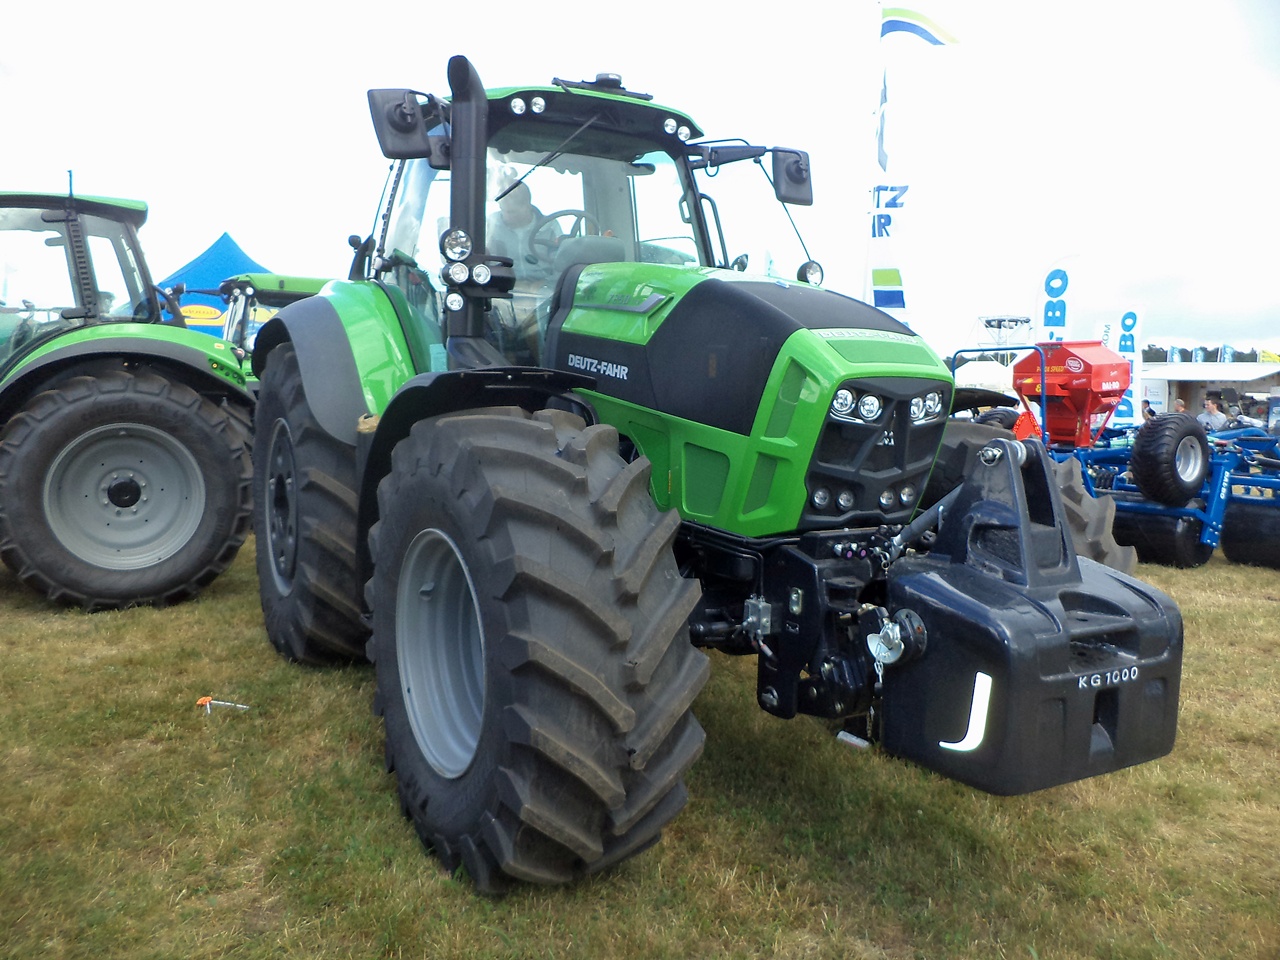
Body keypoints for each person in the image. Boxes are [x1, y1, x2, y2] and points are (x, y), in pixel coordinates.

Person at [486, 181, 561, 283]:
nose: (506, 216)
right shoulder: (491, 224)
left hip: (544, 287)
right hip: (503, 285)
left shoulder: (550, 227)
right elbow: (483, 260)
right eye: (503, 210)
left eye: (512, 212)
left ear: (527, 206)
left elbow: (561, 264)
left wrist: (544, 284)